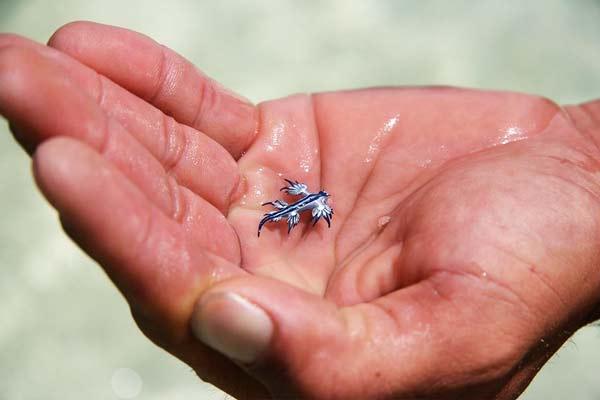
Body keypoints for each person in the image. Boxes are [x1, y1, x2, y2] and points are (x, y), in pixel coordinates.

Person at [1, 21, 599, 400]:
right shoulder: (302, 200)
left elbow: (312, 208)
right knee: (280, 213)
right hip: (302, 199)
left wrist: (584, 160)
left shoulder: (312, 206)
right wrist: (583, 146)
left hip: (306, 201)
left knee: (283, 215)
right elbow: (300, 201)